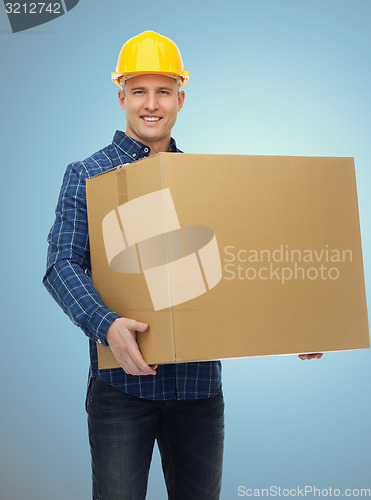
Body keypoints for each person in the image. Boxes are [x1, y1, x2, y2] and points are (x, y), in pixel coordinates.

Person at [43, 30, 322, 500]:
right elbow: (61, 264)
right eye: (139, 91)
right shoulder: (87, 174)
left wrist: (295, 325)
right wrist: (105, 324)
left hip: (198, 392)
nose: (151, 104)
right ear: (121, 97)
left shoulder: (206, 182)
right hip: (121, 389)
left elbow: (240, 268)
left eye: (163, 92)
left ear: (180, 98)